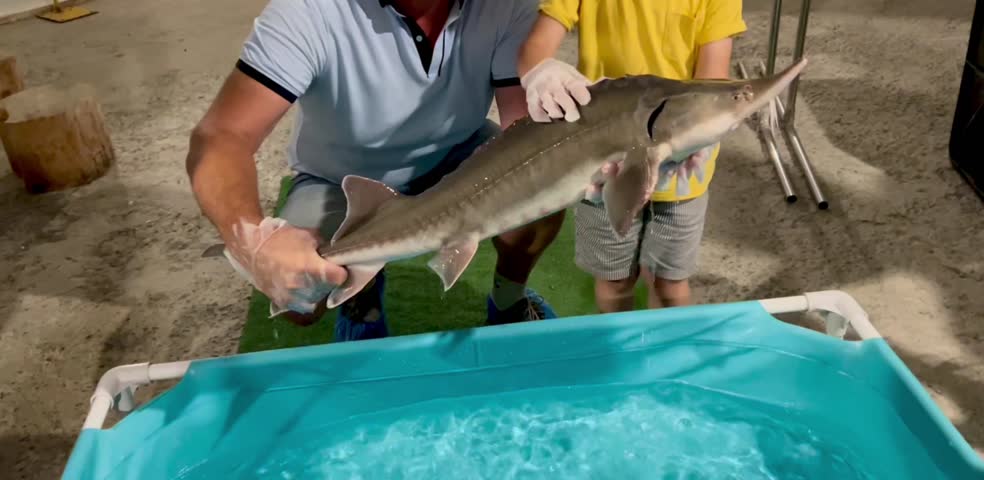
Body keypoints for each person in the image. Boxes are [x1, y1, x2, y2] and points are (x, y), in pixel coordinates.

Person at [186, 0, 581, 342]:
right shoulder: (308, 11)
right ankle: (362, 301)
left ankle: (509, 300)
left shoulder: (506, 6)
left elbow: (520, 131)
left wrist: (561, 144)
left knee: (541, 195)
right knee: (299, 301)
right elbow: (222, 135)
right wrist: (253, 238)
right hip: (338, 177)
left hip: (459, 154)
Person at [517, 0, 747, 312]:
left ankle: (670, 352)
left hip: (682, 171)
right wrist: (540, 71)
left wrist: (698, 138)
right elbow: (537, 45)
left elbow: (713, 79)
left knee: (670, 282)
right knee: (613, 281)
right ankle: (619, 351)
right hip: (604, 165)